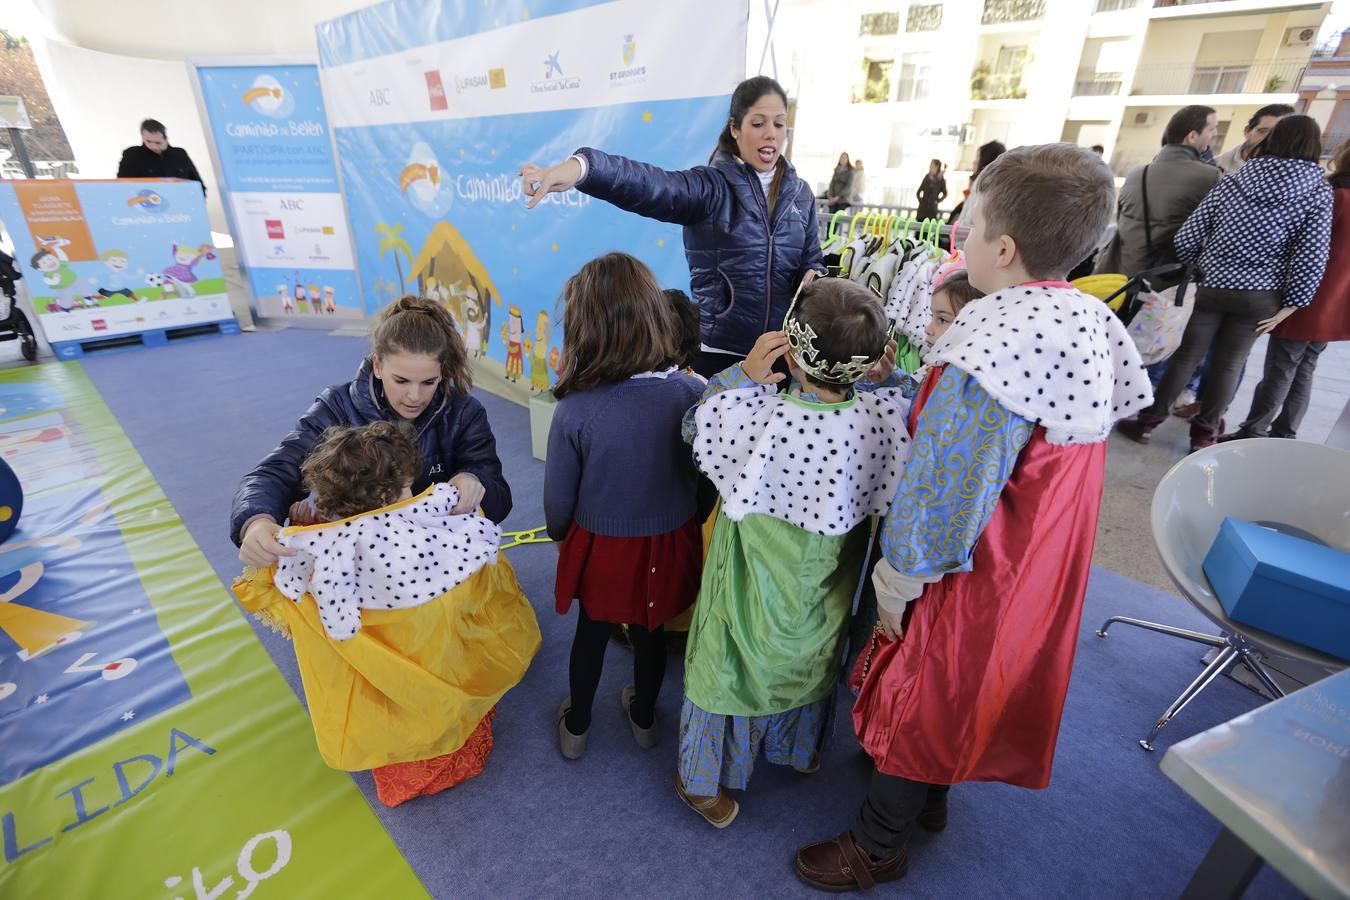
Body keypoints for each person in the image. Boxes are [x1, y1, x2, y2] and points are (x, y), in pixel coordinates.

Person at [794, 144, 1150, 890]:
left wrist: (899, 580)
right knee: (967, 685)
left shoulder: (991, 346)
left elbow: (945, 485)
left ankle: (878, 842)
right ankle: (929, 792)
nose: (960, 230)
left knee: (925, 678)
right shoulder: (1083, 316)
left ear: (1003, 247)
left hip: (972, 559)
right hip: (1041, 554)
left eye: (971, 220)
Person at [675, 278, 909, 828]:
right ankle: (797, 749)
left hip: (749, 582)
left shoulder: (758, 415)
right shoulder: (884, 417)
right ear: (871, 358)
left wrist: (739, 376)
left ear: (791, 347)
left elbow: (695, 428)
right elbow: (907, 397)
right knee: (813, 652)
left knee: (726, 662)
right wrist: (887, 377)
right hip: (828, 580)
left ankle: (702, 782)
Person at [232, 421, 540, 807]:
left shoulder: (317, 543)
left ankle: (401, 758)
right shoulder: (427, 530)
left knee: (387, 707)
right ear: (389, 493)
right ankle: (445, 741)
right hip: (429, 641)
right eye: (409, 486)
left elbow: (289, 587)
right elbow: (478, 554)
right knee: (439, 682)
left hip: (370, 664)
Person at [520, 76, 825, 378]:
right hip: (722, 357)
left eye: (779, 123)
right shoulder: (710, 188)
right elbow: (647, 184)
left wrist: (813, 274)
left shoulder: (801, 195)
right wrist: (583, 169)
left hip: (784, 355)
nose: (771, 134)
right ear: (735, 129)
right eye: (758, 124)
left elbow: (812, 258)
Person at [545, 253, 708, 760]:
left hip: (602, 547)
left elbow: (557, 502)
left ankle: (578, 724)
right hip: (671, 537)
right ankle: (643, 718)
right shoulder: (693, 392)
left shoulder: (575, 409)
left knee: (591, 633)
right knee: (651, 632)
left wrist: (561, 535)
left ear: (583, 329)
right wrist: (687, 519)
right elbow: (707, 478)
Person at [232, 295, 511, 566]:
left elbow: (498, 496)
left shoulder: (465, 413)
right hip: (362, 566)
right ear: (377, 365)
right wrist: (256, 521)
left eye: (429, 382)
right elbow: (273, 472)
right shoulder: (336, 408)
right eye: (401, 380)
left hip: (439, 558)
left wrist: (475, 480)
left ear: (443, 372)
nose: (415, 396)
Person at [1116, 116, 1333, 451]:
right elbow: (1312, 254)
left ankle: (1148, 422)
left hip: (1211, 284)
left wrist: (1199, 264)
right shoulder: (1318, 193)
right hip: (1262, 295)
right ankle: (1204, 435)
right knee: (1229, 363)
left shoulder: (1234, 179)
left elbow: (1189, 234)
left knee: (1186, 355)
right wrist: (1293, 304)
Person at [1095, 105, 1221, 414]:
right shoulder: (1210, 177)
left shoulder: (1139, 172)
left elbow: (1123, 220)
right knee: (1158, 347)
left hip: (1127, 273)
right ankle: (1140, 406)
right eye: (1211, 130)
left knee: (1120, 342)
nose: (1214, 136)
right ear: (1192, 135)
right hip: (1169, 278)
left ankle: (1106, 397)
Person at [1222, 138, 1350, 441]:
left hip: (1307, 297)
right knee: (1305, 367)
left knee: (1281, 367)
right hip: (1335, 304)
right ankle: (1284, 433)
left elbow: (1304, 245)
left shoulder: (1334, 197)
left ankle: (1254, 429)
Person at [117, 118, 205, 195]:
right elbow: (124, 186)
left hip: (181, 206)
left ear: (166, 138)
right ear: (142, 137)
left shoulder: (180, 154)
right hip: (146, 208)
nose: (153, 146)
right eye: (148, 141)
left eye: (158, 143)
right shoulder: (132, 155)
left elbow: (198, 185)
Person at [1214, 104, 1295, 174]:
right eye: (1263, 131)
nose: (1268, 139)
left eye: (1278, 134)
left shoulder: (1291, 177)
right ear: (1247, 130)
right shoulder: (1214, 165)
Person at [946, 141, 1004, 226]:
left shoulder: (982, 182)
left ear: (985, 160)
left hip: (966, 234)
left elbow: (968, 216)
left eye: (978, 158)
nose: (974, 162)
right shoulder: (997, 184)